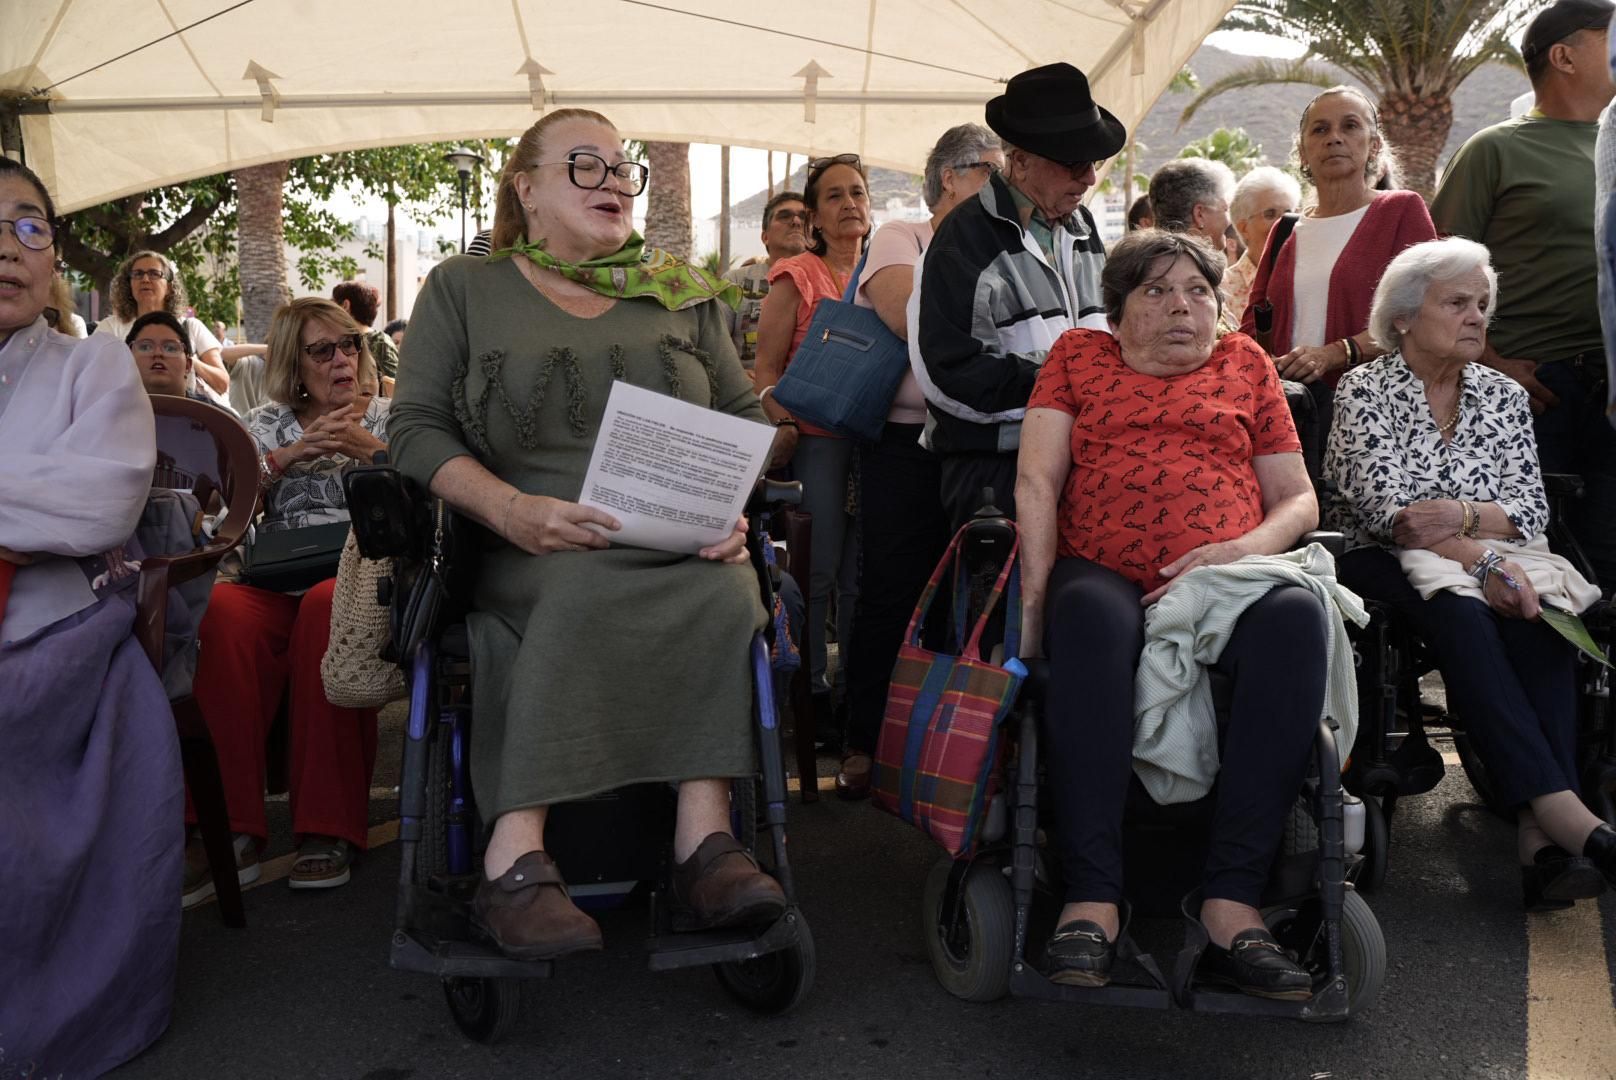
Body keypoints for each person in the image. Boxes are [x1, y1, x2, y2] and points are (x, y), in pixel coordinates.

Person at [390, 108, 786, 958]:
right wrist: (508, 510)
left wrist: (729, 510)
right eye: (586, 165)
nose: (613, 182)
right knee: (577, 583)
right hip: (526, 539)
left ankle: (705, 846)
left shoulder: (680, 292)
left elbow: (746, 417)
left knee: (728, 588)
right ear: (525, 189)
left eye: (621, 168)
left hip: (677, 535)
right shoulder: (465, 288)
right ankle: (514, 860)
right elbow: (415, 427)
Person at [1016, 230, 1328, 997]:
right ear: (1117, 311)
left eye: (1197, 291)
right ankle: (1093, 894)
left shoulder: (1245, 362)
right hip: (1103, 567)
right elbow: (1036, 481)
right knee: (1088, 620)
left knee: (1295, 620)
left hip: (1226, 573)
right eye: (1156, 291)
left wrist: (1239, 550)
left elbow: (1297, 499)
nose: (1181, 306)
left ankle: (1232, 900)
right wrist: (1031, 609)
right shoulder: (1077, 357)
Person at [1325, 237, 1616, 907]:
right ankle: (1565, 818)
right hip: (1380, 561)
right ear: (1402, 317)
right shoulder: (1365, 389)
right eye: (1456, 302)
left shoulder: (1501, 395)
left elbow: (1529, 507)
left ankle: (1539, 839)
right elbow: (1394, 517)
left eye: (1482, 304)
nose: (1476, 316)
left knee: (1540, 620)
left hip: (1492, 560)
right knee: (1462, 615)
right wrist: (1482, 546)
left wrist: (1456, 513)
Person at [0, 157, 179, 1078]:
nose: (8, 246)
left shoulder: (92, 362)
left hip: (52, 638)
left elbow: (100, 505)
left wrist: (39, 523)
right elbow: (46, 503)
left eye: (29, 225)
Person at [184, 297, 388, 904]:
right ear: (294, 366)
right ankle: (229, 830)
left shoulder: (391, 417)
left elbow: (431, 490)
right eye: (322, 350)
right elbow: (217, 510)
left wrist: (368, 451)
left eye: (349, 344)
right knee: (221, 616)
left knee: (326, 612)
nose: (342, 359)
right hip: (272, 578)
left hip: (357, 579)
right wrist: (285, 457)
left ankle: (327, 827)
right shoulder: (265, 423)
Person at [839, 123, 1004, 799]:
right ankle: (864, 742)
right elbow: (913, 324)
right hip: (905, 446)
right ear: (951, 177)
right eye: (995, 172)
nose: (1008, 187)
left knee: (972, 602)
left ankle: (942, 751)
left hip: (978, 446)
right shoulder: (903, 237)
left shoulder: (1006, 245)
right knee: (892, 592)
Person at [1433, 0, 1616, 590]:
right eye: (1609, 37)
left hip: (1613, 385)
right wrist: (1490, 366)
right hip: (1536, 392)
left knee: (1609, 562)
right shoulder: (1495, 149)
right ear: (1564, 55)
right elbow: (1431, 276)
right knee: (1538, 566)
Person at [911, 61, 1125, 526]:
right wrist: (1071, 383)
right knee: (1009, 598)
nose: (1089, 178)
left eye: (1094, 163)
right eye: (1074, 163)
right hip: (994, 471)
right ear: (1020, 160)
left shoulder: (1083, 227)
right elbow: (948, 377)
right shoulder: (961, 242)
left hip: (1086, 459)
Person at [753, 154, 872, 736]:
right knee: (819, 571)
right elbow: (764, 371)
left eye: (858, 193)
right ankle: (812, 699)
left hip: (879, 446)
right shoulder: (795, 275)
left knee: (864, 575)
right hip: (819, 444)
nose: (850, 203)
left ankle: (855, 693)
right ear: (816, 217)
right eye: (834, 196)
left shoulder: (891, 272)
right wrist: (785, 426)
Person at [1240, 86, 1437, 388]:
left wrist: (1336, 353)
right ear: (1303, 153)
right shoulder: (1285, 230)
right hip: (1291, 412)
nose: (1334, 137)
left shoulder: (1401, 211)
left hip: (1375, 410)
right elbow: (1253, 325)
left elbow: (1424, 311)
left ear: (1374, 145)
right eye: (1320, 129)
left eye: (1350, 126)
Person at [95, 250, 233, 400]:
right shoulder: (109, 328)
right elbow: (92, 379)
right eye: (138, 274)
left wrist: (186, 361)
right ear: (129, 284)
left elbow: (222, 384)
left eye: (154, 273)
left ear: (169, 287)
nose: (145, 279)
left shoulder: (191, 327)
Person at [724, 190, 807, 371]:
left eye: (804, 217)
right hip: (747, 391)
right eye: (784, 216)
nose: (796, 222)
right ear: (765, 237)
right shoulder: (735, 280)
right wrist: (736, 377)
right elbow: (713, 341)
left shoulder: (825, 284)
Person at [1225, 166, 1303, 324]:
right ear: (1243, 228)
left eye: (1289, 213)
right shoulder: (1222, 290)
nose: (1282, 223)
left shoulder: (1312, 279)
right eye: (1270, 214)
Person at [1147, 158, 1235, 250]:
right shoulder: (1186, 262)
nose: (1230, 222)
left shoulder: (1142, 258)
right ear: (1199, 214)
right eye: (1225, 210)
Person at [126, 310, 215, 402]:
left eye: (170, 348)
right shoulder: (111, 412)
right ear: (127, 362)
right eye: (145, 347)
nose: (158, 353)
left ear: (188, 365)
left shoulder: (216, 415)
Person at [333, 279, 400, 396]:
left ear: (345, 305)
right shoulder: (336, 341)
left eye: (333, 304)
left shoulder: (380, 341)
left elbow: (396, 387)